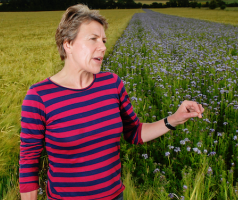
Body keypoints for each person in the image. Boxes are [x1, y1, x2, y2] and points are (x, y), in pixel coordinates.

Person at [19, 4, 204, 200]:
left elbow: (134, 132)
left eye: (104, 40)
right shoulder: (39, 97)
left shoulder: (112, 84)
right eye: (93, 39)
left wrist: (174, 119)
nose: (103, 47)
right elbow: (29, 163)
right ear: (68, 44)